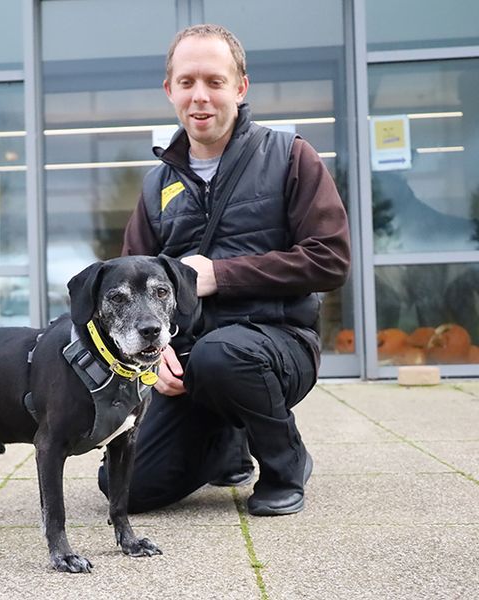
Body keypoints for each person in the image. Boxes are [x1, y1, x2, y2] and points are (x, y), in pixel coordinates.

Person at [97, 24, 351, 516]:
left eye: (215, 82)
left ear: (240, 87)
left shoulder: (290, 157)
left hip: (279, 346)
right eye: (187, 82)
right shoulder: (157, 186)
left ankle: (285, 465)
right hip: (189, 360)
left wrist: (221, 275)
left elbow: (331, 257)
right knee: (125, 486)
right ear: (169, 90)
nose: (200, 97)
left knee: (222, 356)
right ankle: (226, 447)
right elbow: (124, 289)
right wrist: (153, 362)